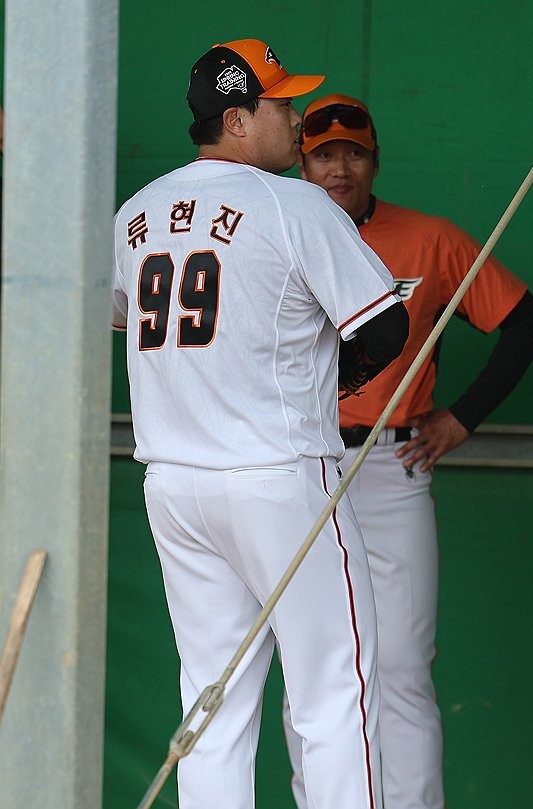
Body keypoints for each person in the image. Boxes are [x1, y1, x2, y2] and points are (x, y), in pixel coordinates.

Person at [111, 40, 409, 809]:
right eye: (281, 106)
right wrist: (319, 383)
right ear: (238, 121)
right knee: (334, 694)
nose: (297, 117)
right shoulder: (294, 202)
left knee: (212, 701)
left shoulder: (138, 212)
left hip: (175, 485)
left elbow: (125, 319)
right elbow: (385, 328)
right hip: (280, 475)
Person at [283, 93, 533, 809]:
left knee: (399, 666)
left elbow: (525, 322)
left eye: (353, 152)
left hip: (389, 466)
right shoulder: (272, 231)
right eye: (323, 153)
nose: (339, 166)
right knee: (314, 666)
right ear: (299, 162)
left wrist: (461, 417)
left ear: (375, 160)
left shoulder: (429, 239)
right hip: (297, 469)